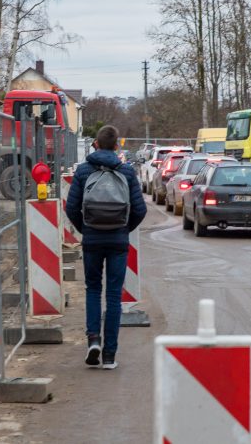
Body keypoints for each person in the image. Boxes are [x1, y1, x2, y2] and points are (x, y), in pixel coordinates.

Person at [65, 125, 146, 370]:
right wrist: (123, 229)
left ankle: (93, 341)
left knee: (92, 289)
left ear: (96, 145)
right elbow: (140, 210)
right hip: (118, 241)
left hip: (92, 239)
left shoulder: (83, 171)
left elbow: (71, 208)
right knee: (113, 296)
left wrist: (85, 228)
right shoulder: (128, 172)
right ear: (117, 146)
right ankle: (110, 355)